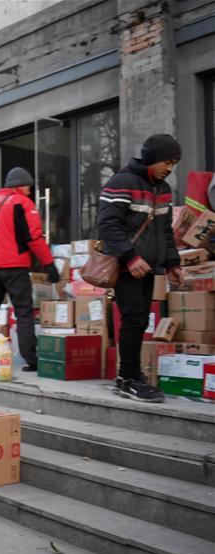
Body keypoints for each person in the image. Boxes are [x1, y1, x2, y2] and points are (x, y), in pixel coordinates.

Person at [98, 133, 183, 402]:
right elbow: (108, 226)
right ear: (151, 159)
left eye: (174, 163)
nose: (170, 168)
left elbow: (165, 232)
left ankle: (132, 375)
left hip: (149, 268)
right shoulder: (121, 182)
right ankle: (127, 378)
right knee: (134, 320)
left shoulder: (163, 189)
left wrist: (172, 263)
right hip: (127, 268)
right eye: (167, 162)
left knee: (139, 320)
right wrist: (131, 258)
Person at [0, 167, 58, 372]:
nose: (29, 191)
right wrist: (49, 264)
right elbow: (34, 237)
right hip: (15, 267)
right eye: (28, 187)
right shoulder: (22, 203)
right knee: (24, 312)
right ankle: (31, 358)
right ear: (20, 186)